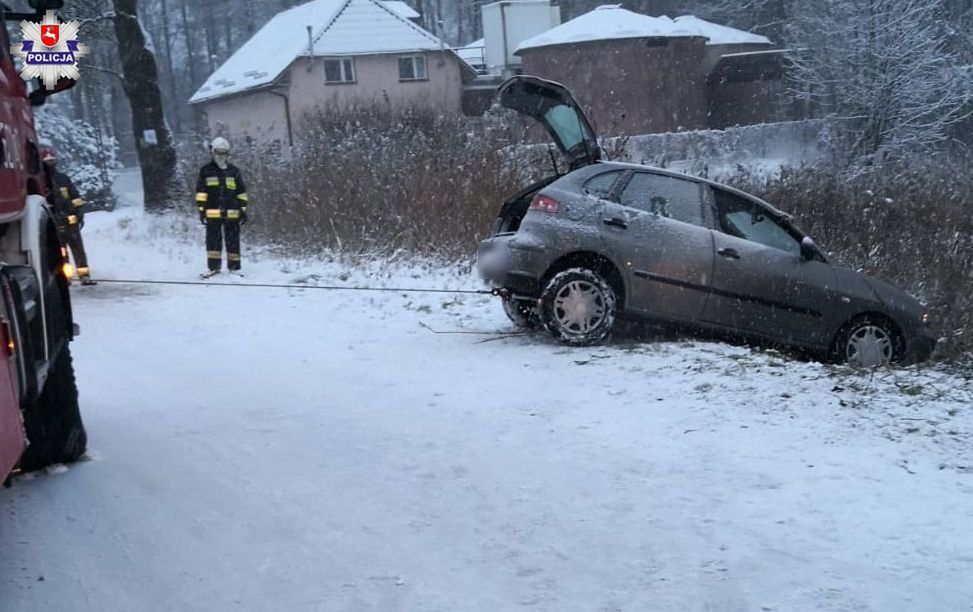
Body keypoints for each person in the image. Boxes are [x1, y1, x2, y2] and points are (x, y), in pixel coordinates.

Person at [194, 137, 249, 277]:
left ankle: (235, 268)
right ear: (212, 152)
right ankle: (214, 267)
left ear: (227, 153)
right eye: (218, 152)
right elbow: (201, 193)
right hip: (213, 214)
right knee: (213, 241)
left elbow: (241, 192)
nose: (221, 156)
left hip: (233, 213)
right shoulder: (206, 171)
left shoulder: (234, 171)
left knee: (233, 242)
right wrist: (202, 210)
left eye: (223, 153)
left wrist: (242, 210)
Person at [41, 148, 96, 286]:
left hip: (70, 221)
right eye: (47, 162)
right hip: (54, 223)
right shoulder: (41, 182)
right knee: (61, 253)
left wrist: (79, 213)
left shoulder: (63, 179)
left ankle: (84, 276)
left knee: (78, 250)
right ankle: (65, 278)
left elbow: (75, 197)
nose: (50, 164)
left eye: (52, 161)